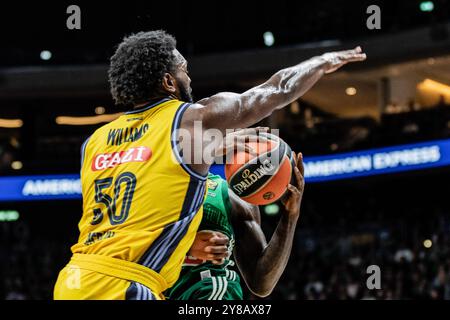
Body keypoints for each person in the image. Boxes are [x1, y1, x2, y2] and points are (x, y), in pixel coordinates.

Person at [53, 30, 366, 300]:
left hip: (74, 279)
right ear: (168, 81)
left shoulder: (94, 141)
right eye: (184, 70)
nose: (189, 77)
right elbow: (274, 91)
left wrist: (212, 148)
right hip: (126, 285)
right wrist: (322, 62)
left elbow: (134, 207)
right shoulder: (189, 120)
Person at [167, 152, 305, 300]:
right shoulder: (148, 188)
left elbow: (261, 283)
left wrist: (290, 215)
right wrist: (186, 246)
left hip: (207, 290)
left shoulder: (231, 197)